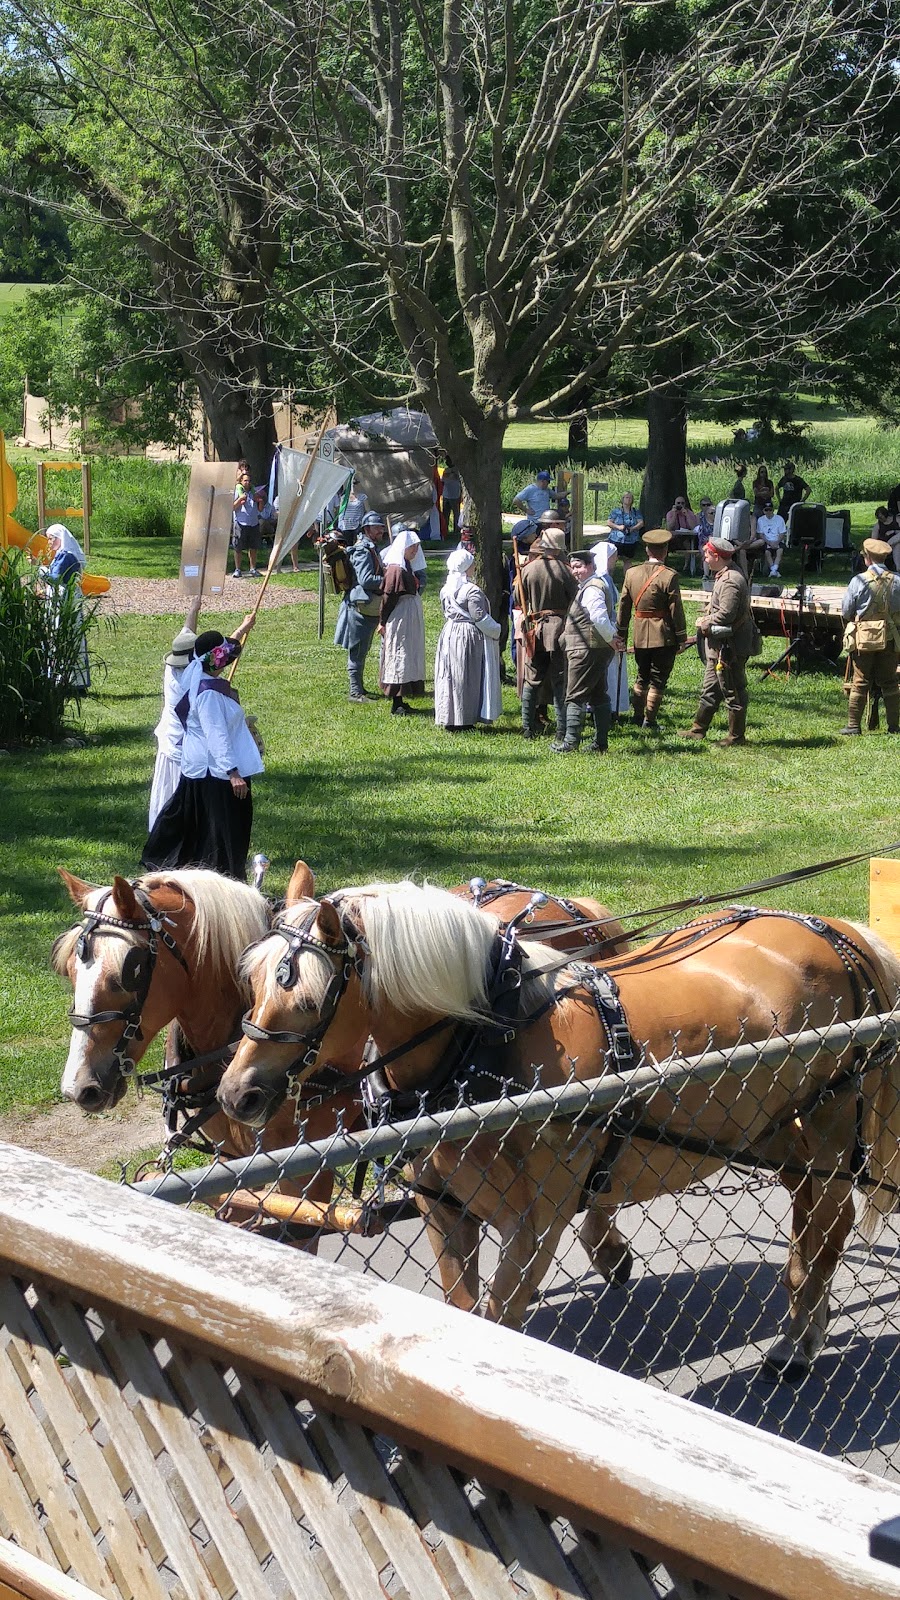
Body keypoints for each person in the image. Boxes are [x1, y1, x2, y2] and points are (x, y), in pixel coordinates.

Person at [142, 621, 262, 880]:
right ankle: (224, 877)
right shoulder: (208, 694)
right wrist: (233, 773)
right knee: (223, 832)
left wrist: (241, 629)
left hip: (203, 771)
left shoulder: (203, 682)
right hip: (215, 774)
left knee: (201, 829)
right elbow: (216, 735)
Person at [679, 537, 755, 746]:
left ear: (716, 556)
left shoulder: (731, 580)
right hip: (720, 646)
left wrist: (705, 621)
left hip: (729, 647)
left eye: (706, 554)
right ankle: (698, 730)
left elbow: (726, 615)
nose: (704, 557)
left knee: (733, 690)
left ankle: (736, 736)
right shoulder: (725, 575)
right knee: (711, 689)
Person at [617, 529, 687, 731]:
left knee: (642, 676)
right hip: (663, 636)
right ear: (665, 550)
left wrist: (621, 633)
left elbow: (624, 607)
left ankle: (638, 716)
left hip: (640, 634)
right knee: (657, 679)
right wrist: (681, 636)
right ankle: (650, 721)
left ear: (647, 549)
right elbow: (676, 610)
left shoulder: (631, 573)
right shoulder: (669, 576)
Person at [552, 549, 619, 754]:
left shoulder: (592, 589)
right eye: (573, 567)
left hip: (587, 650)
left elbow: (598, 617)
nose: (575, 571)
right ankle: (600, 743)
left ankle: (571, 742)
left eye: (579, 566)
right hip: (591, 649)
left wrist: (611, 639)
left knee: (575, 695)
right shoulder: (588, 587)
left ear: (590, 566)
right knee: (598, 695)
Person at [518, 523, 578, 739]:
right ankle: (562, 731)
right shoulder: (566, 571)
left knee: (532, 679)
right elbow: (575, 600)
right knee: (560, 680)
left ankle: (527, 727)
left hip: (535, 628)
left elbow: (518, 598)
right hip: (560, 629)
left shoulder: (527, 569)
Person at [434, 548, 502, 729]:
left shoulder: (446, 589)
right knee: (466, 675)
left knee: (451, 675)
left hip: (450, 632)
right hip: (466, 636)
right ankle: (464, 718)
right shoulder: (470, 591)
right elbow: (479, 616)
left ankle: (450, 716)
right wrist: (497, 630)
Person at [839, 538, 900, 736]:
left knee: (860, 681)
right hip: (890, 637)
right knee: (890, 682)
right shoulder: (898, 580)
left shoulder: (858, 581)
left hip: (864, 638)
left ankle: (853, 726)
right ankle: (893, 726)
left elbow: (847, 611)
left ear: (867, 559)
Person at [334, 510, 387, 702]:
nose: (381, 530)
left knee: (362, 650)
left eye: (381, 527)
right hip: (360, 606)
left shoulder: (369, 547)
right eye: (377, 527)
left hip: (365, 606)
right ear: (367, 529)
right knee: (357, 651)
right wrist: (387, 579)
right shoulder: (363, 550)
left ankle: (359, 689)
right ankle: (355, 692)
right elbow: (366, 580)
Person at [379, 528, 426, 715]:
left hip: (408, 617)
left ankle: (402, 697)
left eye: (416, 547)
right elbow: (388, 597)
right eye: (412, 547)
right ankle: (396, 702)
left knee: (407, 656)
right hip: (399, 617)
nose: (415, 551)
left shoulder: (406, 565)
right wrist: (382, 621)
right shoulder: (396, 568)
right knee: (398, 655)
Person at [41, 523, 90, 693]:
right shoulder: (62, 555)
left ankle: (72, 682)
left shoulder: (66, 556)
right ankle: (64, 680)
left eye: (51, 539)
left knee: (67, 635)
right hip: (62, 598)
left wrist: (39, 569)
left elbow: (56, 578)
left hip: (66, 599)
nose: (49, 543)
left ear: (59, 538)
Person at [591, 540, 630, 721]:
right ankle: (605, 707)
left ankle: (610, 705)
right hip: (604, 629)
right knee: (607, 672)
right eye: (613, 557)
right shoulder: (601, 580)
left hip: (610, 625)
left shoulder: (605, 578)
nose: (615, 560)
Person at [232, 461, 262, 578]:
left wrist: (260, 501)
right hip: (240, 522)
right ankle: (238, 569)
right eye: (245, 480)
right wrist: (240, 500)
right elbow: (233, 507)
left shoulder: (253, 491)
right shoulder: (237, 490)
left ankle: (253, 568)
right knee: (238, 547)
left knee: (253, 547)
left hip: (253, 522)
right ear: (241, 481)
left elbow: (260, 509)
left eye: (249, 480)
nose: (247, 482)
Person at [607, 492, 644, 564]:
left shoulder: (635, 512)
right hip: (616, 539)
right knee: (612, 559)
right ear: (622, 499)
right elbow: (609, 522)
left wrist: (632, 528)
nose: (628, 499)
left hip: (631, 540)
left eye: (630, 498)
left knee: (627, 560)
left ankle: (627, 575)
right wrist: (618, 527)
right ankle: (609, 574)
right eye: (626, 497)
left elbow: (641, 523)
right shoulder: (616, 511)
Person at [756, 500, 788, 576]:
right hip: (767, 541)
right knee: (767, 552)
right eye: (766, 510)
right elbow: (761, 534)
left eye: (770, 510)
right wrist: (769, 542)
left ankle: (774, 570)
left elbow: (782, 533)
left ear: (773, 510)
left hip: (777, 540)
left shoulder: (779, 519)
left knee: (779, 551)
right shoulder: (760, 520)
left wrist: (776, 542)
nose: (768, 512)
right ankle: (773, 570)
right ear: (763, 511)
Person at [440, 460, 463, 542]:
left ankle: (454, 531)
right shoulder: (452, 471)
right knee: (450, 514)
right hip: (450, 495)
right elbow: (443, 480)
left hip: (452, 495)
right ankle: (448, 531)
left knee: (453, 514)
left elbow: (443, 481)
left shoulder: (454, 471)